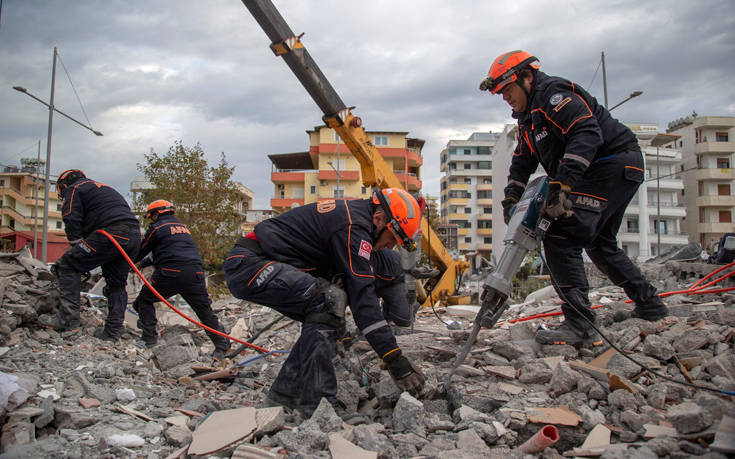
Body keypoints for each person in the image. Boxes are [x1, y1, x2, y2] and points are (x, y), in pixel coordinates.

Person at [480, 50, 669, 346]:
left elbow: (586, 132)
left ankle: (580, 326)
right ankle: (650, 305)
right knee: (599, 243)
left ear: (527, 78)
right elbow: (522, 162)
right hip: (619, 167)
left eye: (507, 89)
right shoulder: (528, 119)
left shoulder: (553, 96)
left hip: (613, 163)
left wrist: (562, 184)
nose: (505, 97)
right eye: (500, 93)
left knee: (560, 234)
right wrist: (511, 198)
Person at [223, 188, 426, 417]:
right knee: (328, 302)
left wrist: (339, 329)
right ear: (379, 219)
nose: (390, 246)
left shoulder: (355, 220)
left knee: (326, 308)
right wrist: (394, 358)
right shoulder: (353, 227)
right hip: (249, 265)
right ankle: (320, 407)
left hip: (260, 264)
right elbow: (364, 300)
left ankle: (283, 397)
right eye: (392, 239)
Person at [38, 169, 141, 341]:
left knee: (67, 265)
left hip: (111, 233)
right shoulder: (104, 189)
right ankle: (113, 331)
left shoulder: (75, 189)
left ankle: (67, 320)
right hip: (133, 236)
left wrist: (76, 250)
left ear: (63, 185)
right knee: (116, 284)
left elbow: (71, 218)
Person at [131, 200, 230, 359]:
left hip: (170, 273)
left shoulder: (157, 228)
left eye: (152, 216)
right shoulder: (183, 228)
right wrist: (143, 264)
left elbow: (140, 250)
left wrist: (128, 261)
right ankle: (221, 345)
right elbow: (169, 252)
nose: (152, 220)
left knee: (143, 301)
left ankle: (149, 338)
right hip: (195, 273)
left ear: (156, 214)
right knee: (204, 311)